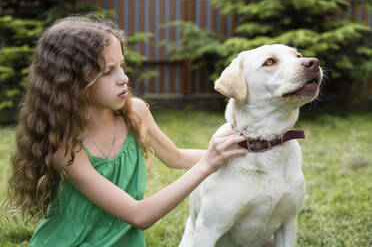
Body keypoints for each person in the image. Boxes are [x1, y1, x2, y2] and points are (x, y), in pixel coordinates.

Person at [5, 15, 247, 247]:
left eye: (122, 65)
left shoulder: (136, 113)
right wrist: (207, 165)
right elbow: (138, 215)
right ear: (71, 81)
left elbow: (175, 157)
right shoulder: (65, 147)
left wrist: (240, 152)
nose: (124, 78)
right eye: (107, 71)